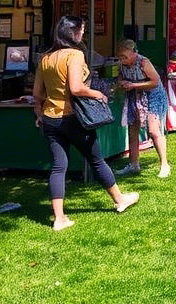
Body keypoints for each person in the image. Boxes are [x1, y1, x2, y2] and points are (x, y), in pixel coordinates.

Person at [33, 15, 139, 230]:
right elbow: (75, 88)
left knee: (58, 167)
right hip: (74, 118)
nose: (83, 33)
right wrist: (97, 94)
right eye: (81, 29)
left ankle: (59, 218)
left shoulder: (46, 58)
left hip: (50, 119)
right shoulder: (75, 55)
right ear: (73, 33)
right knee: (97, 160)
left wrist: (39, 113)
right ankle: (120, 200)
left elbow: (37, 92)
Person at [113, 40, 170, 178]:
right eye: (120, 57)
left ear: (134, 53)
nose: (122, 60)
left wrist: (133, 85)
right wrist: (122, 83)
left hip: (153, 96)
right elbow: (119, 78)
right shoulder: (121, 65)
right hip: (134, 96)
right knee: (133, 131)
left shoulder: (144, 62)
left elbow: (155, 81)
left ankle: (164, 164)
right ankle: (133, 165)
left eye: (125, 57)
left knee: (154, 130)